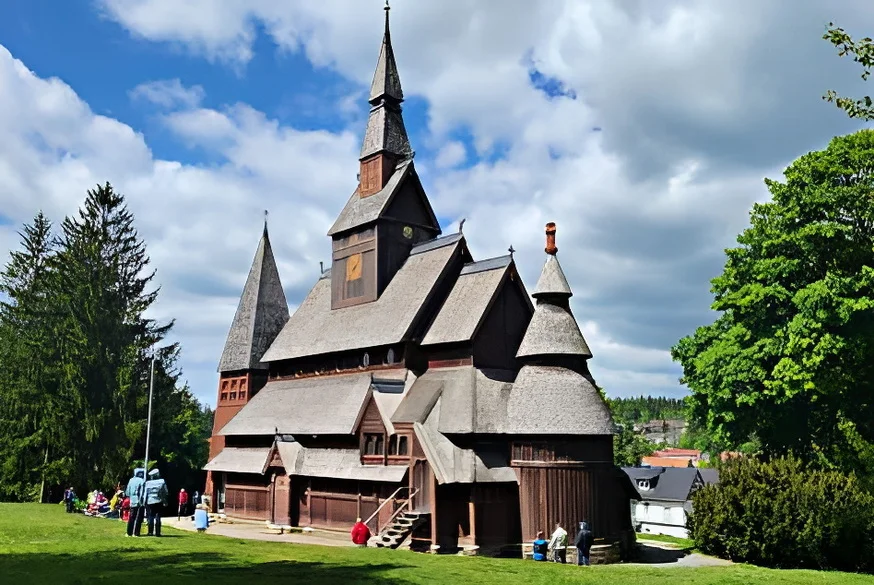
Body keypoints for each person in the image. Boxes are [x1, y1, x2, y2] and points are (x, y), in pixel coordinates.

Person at [144, 468, 169, 537]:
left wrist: (144, 501)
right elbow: (165, 492)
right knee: (158, 516)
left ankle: (150, 532)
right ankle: (158, 532)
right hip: (159, 500)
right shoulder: (162, 481)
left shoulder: (147, 483)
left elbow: (145, 493)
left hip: (149, 501)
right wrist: (165, 501)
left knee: (150, 516)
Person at [125, 468, 146, 537]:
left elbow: (127, 492)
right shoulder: (142, 481)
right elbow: (142, 492)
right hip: (139, 501)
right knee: (138, 517)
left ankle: (129, 533)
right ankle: (136, 533)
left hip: (132, 500)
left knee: (131, 517)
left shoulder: (131, 480)